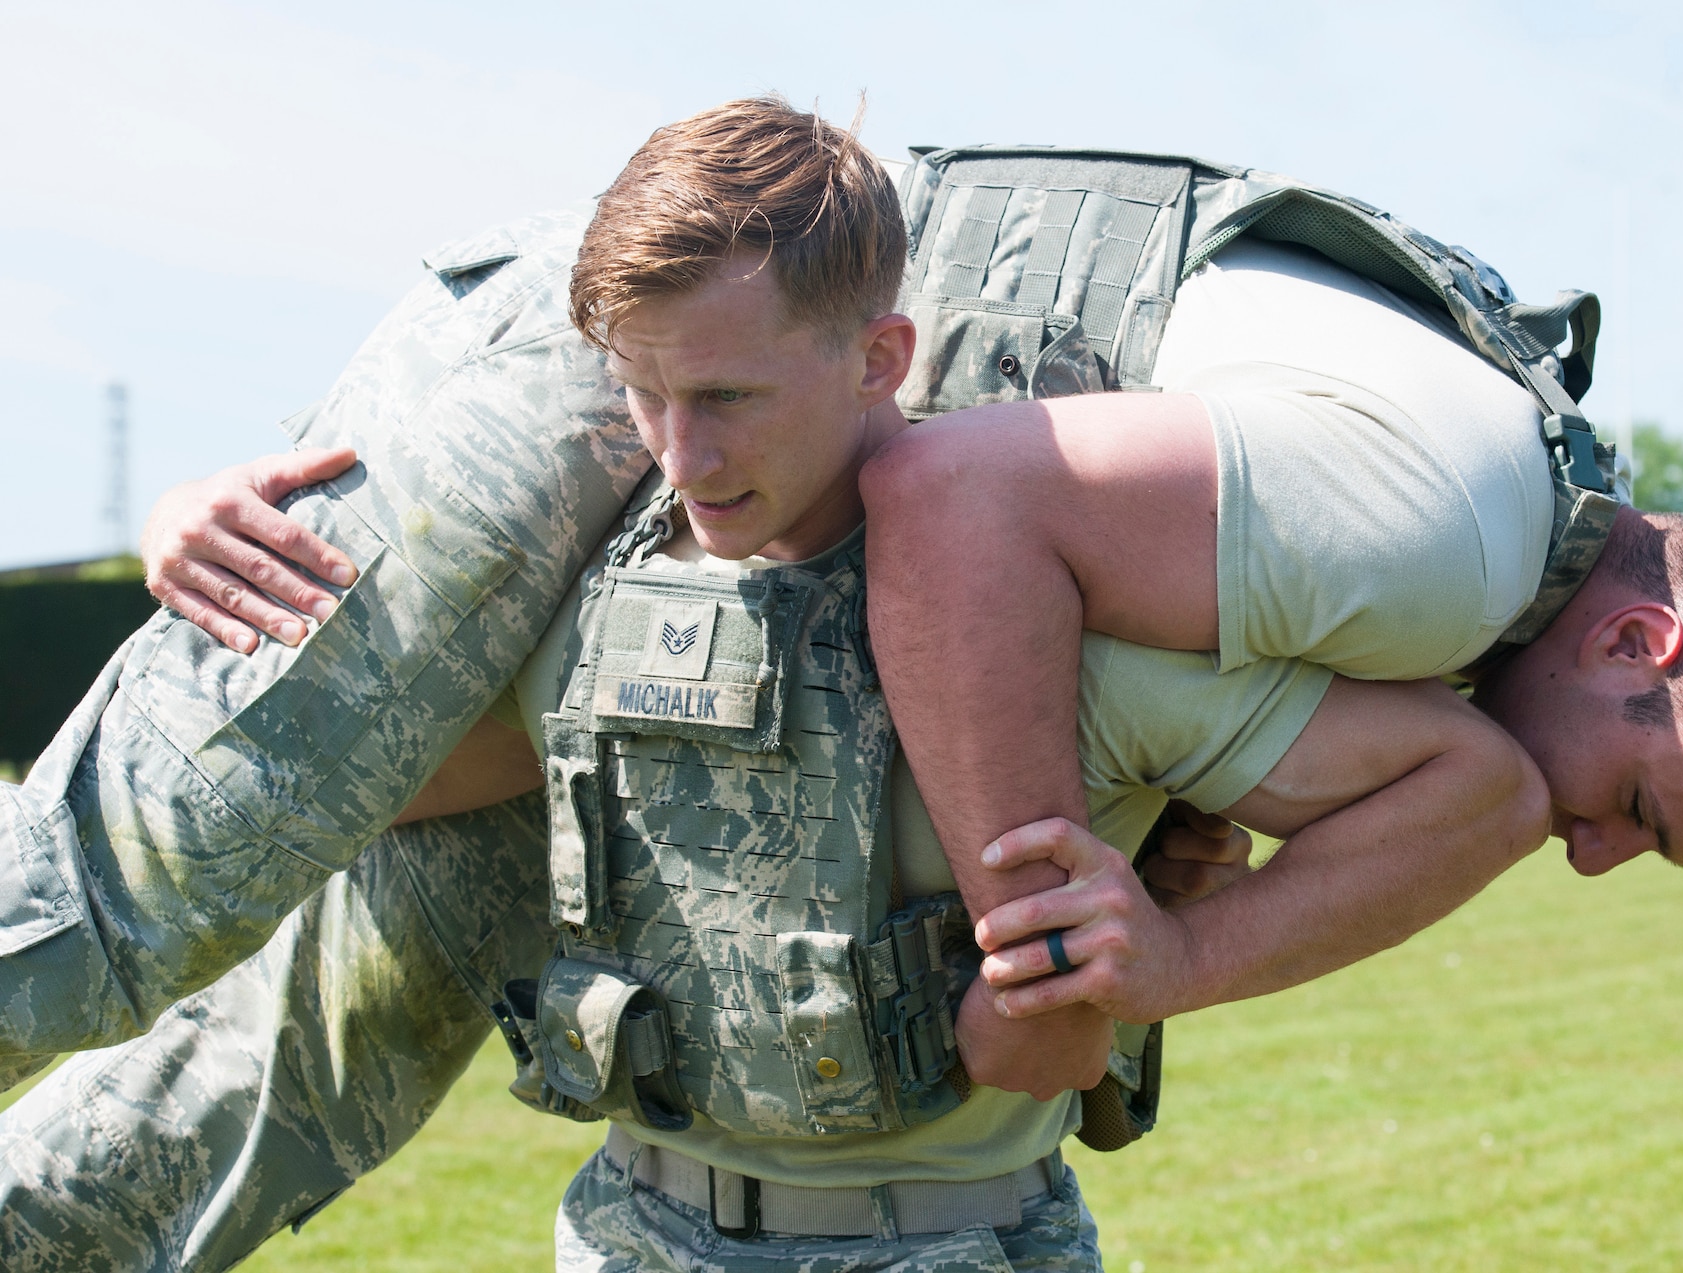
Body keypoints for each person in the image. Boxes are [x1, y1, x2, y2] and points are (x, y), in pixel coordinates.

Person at [0, 100, 1554, 1271]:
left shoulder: (1053, 638)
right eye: (642, 394)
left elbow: (1477, 788)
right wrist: (194, 555)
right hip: (638, 1231)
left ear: (883, 357)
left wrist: (1166, 955)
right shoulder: (597, 594)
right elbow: (359, 785)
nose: (683, 452)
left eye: (730, 395)